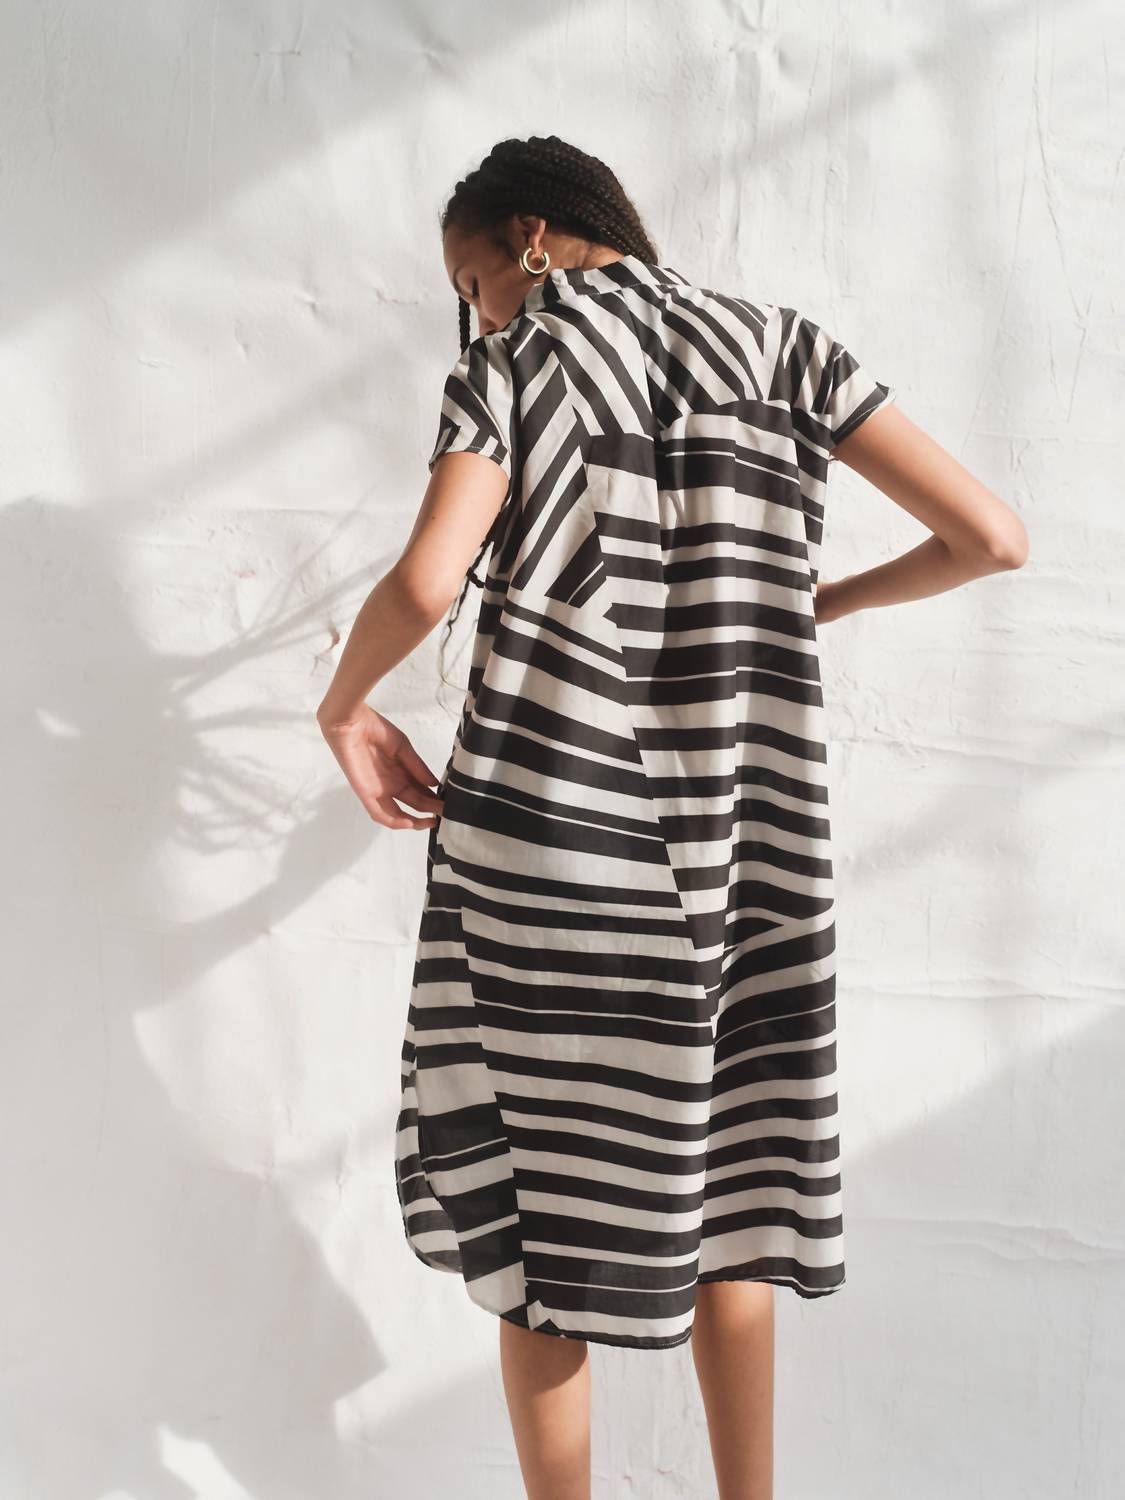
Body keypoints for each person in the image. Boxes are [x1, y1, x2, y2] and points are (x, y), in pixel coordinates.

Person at [317, 134, 1029, 1500]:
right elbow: (991, 537)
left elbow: (423, 582)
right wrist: (806, 605)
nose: (476, 311)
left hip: (553, 843)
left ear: (529, 239)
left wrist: (344, 709)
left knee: (543, 1221)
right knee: (733, 1190)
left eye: (472, 282)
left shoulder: (514, 363)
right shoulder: (785, 349)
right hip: (752, 850)